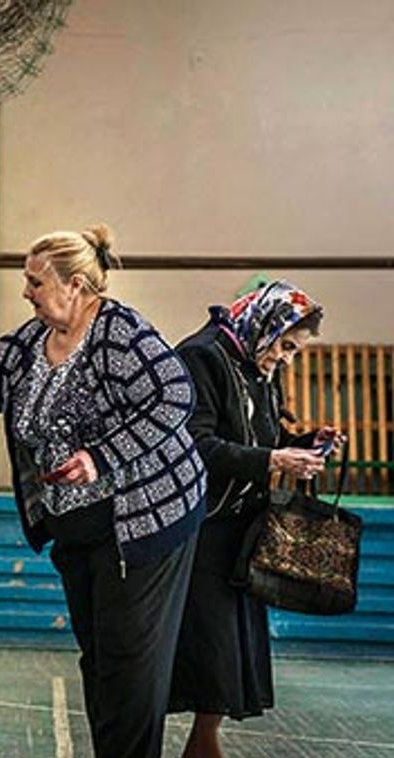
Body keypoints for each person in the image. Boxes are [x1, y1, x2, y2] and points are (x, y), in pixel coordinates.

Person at [0, 224, 206, 758]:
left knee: (128, 664)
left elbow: (175, 398)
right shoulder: (31, 340)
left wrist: (101, 457)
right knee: (98, 658)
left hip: (144, 522)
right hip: (78, 525)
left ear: (75, 285)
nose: (26, 292)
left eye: (35, 282)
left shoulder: (121, 334)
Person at [169, 281, 339, 758]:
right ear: (265, 325)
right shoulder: (202, 357)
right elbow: (196, 445)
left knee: (227, 656)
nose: (287, 358)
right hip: (204, 530)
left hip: (242, 530)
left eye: (294, 351)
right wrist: (273, 461)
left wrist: (302, 445)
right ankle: (203, 748)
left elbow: (262, 434)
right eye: (286, 346)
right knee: (213, 654)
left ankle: (202, 747)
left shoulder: (255, 360)